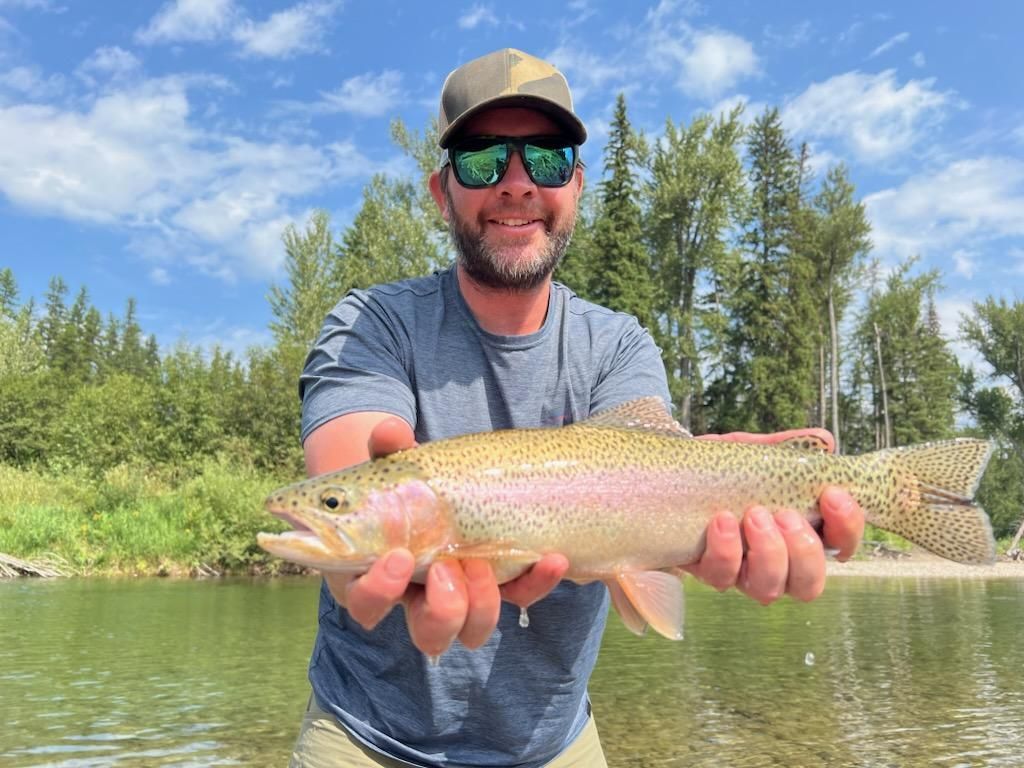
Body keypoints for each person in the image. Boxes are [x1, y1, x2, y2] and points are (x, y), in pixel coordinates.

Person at [291, 48, 865, 768]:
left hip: (553, 745)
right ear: (441, 192)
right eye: (481, 161)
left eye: (549, 159)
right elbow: (345, 483)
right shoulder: (372, 323)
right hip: (365, 739)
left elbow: (651, 477)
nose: (517, 184)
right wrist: (353, 559)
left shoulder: (619, 345)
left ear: (577, 186)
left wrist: (738, 478)